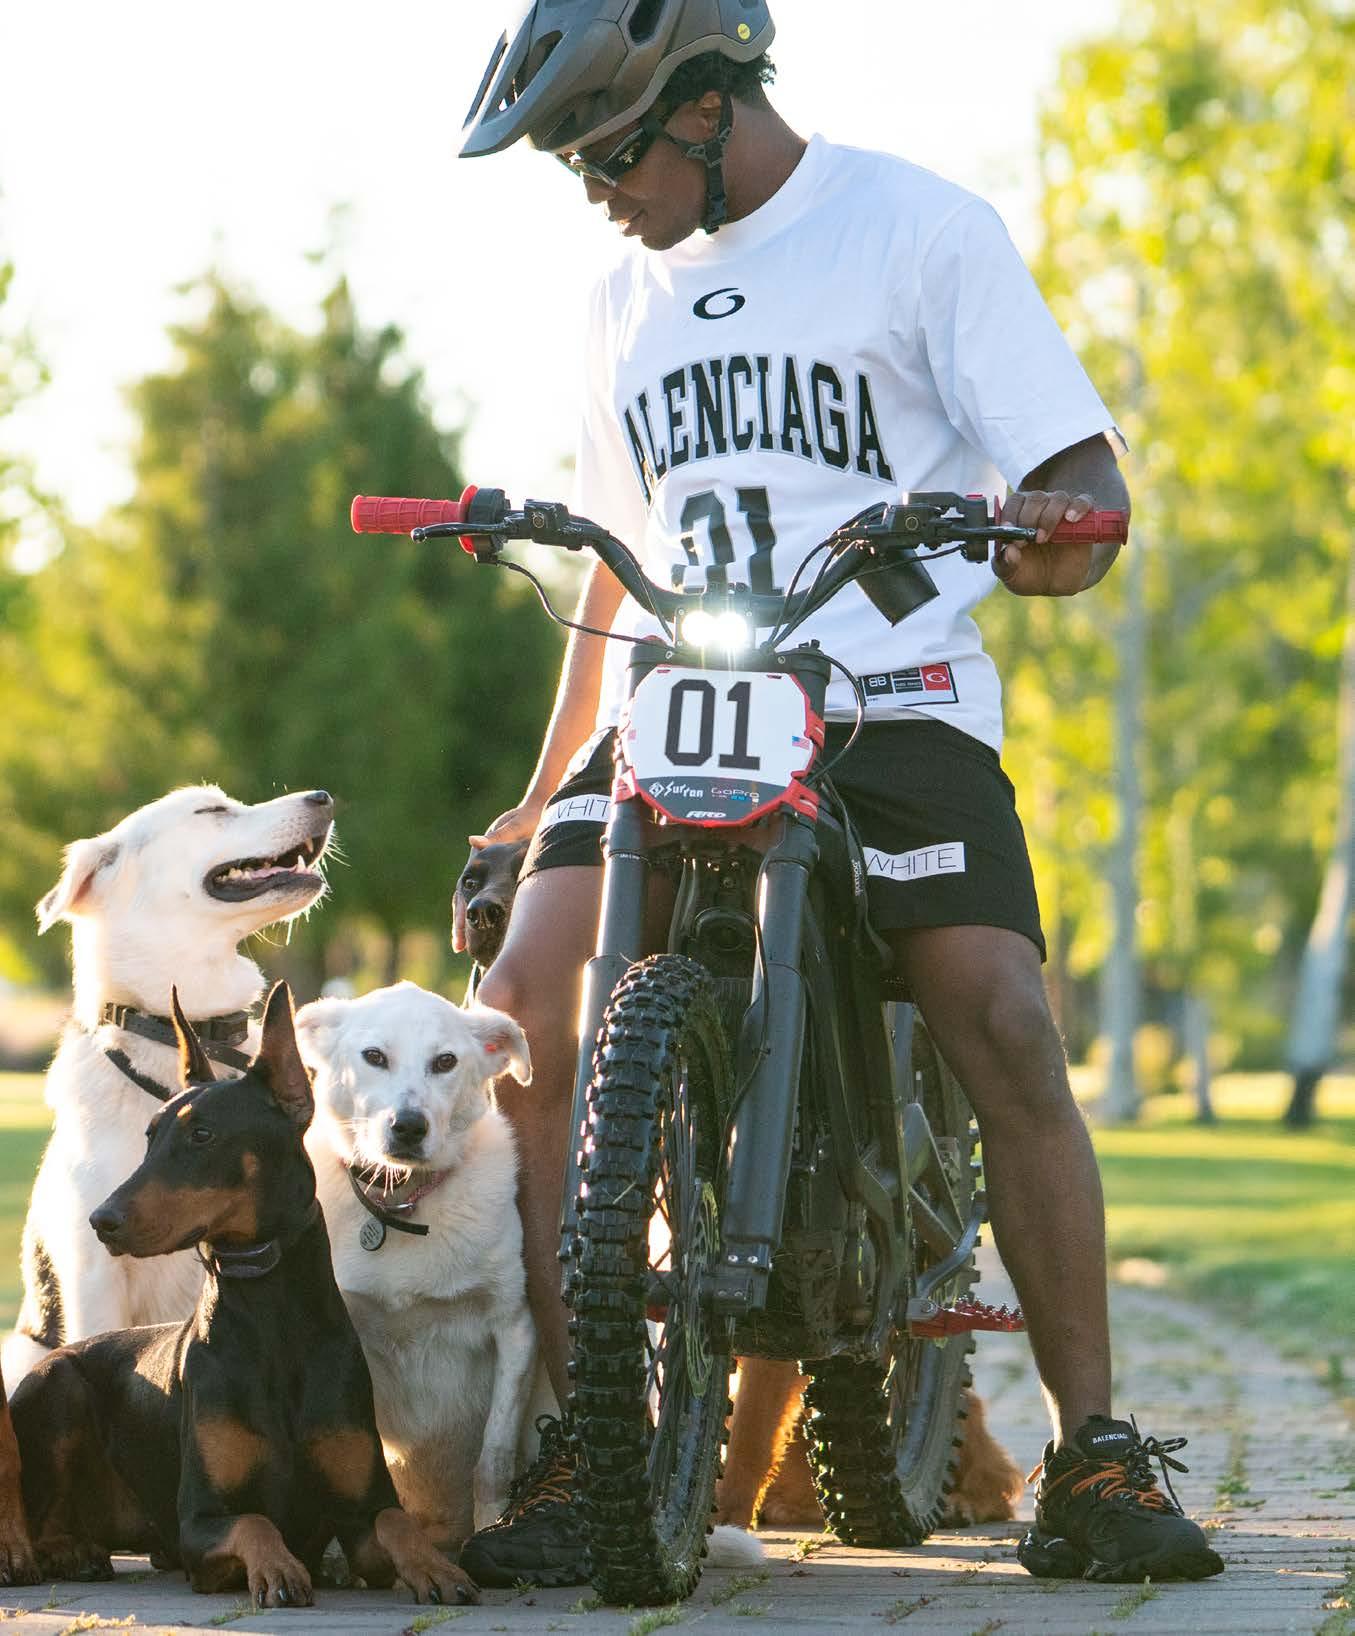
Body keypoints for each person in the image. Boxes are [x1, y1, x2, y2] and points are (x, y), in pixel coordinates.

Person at [454, 0, 1223, 1591]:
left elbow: (1078, 472)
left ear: (708, 106)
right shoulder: (616, 302)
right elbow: (611, 577)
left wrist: (1059, 532)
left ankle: (1090, 1453)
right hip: (676, 700)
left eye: (610, 154)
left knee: (998, 1010)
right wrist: (540, 799)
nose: (597, 192)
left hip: (891, 696)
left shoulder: (919, 230)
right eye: (574, 167)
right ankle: (586, 1441)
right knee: (523, 1003)